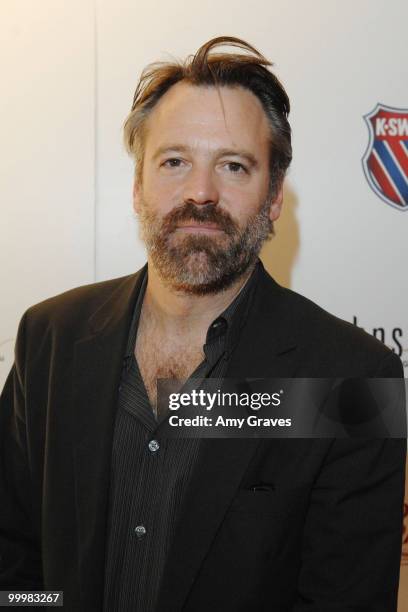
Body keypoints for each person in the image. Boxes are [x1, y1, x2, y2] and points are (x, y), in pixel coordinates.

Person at [0, 36, 405, 612]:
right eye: (174, 161)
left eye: (234, 166)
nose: (200, 193)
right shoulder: (51, 338)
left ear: (272, 199)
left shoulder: (356, 381)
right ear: (138, 186)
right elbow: (15, 559)